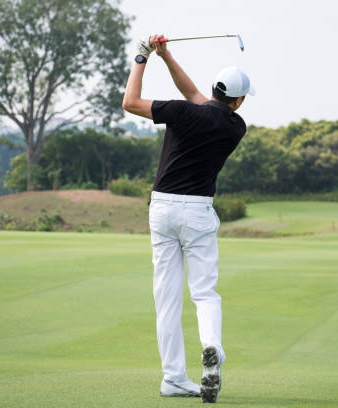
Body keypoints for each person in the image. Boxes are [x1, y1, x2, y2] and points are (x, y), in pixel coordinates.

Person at [122, 34, 254, 403]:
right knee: (204, 293)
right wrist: (166, 55)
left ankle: (173, 378)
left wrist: (143, 57)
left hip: (162, 208)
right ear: (238, 101)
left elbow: (130, 102)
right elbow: (196, 97)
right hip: (197, 211)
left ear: (214, 89)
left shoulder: (182, 112)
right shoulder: (235, 126)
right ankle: (211, 347)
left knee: (166, 299)